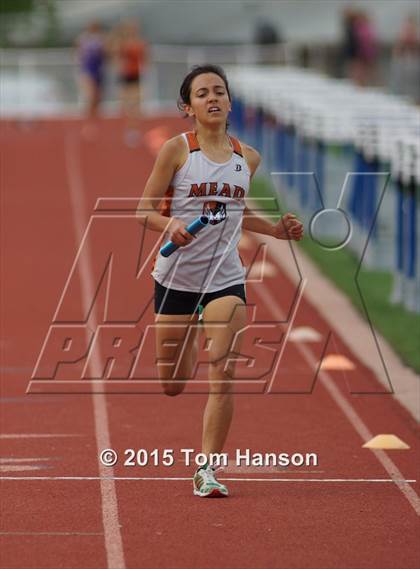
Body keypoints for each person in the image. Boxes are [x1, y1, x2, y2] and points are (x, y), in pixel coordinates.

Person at [137, 64, 303, 498]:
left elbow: (236, 212)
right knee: (172, 385)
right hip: (175, 275)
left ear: (230, 102)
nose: (212, 99)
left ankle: (207, 469)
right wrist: (168, 225)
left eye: (219, 92)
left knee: (223, 373)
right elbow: (143, 210)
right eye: (202, 93)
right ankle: (191, 328)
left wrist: (275, 230)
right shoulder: (177, 151)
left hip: (225, 277)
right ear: (187, 107)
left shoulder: (247, 157)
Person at [76, 21, 106, 117]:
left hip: (98, 69)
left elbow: (105, 53)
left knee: (98, 95)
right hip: (87, 69)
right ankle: (88, 114)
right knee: (91, 93)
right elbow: (79, 53)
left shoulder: (101, 38)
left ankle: (95, 113)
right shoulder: (84, 38)